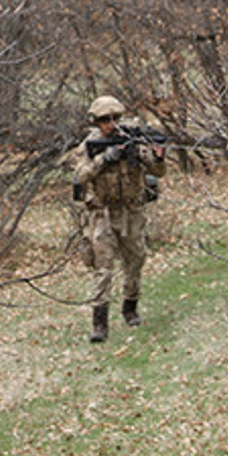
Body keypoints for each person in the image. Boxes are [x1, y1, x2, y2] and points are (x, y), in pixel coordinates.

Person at [72, 95, 167, 343]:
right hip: (102, 213)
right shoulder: (89, 145)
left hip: (131, 212)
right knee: (103, 268)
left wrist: (157, 156)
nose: (111, 124)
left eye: (115, 118)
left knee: (136, 260)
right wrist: (105, 158)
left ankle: (130, 307)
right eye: (105, 119)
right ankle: (99, 323)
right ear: (96, 121)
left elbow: (159, 172)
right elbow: (81, 176)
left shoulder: (132, 138)